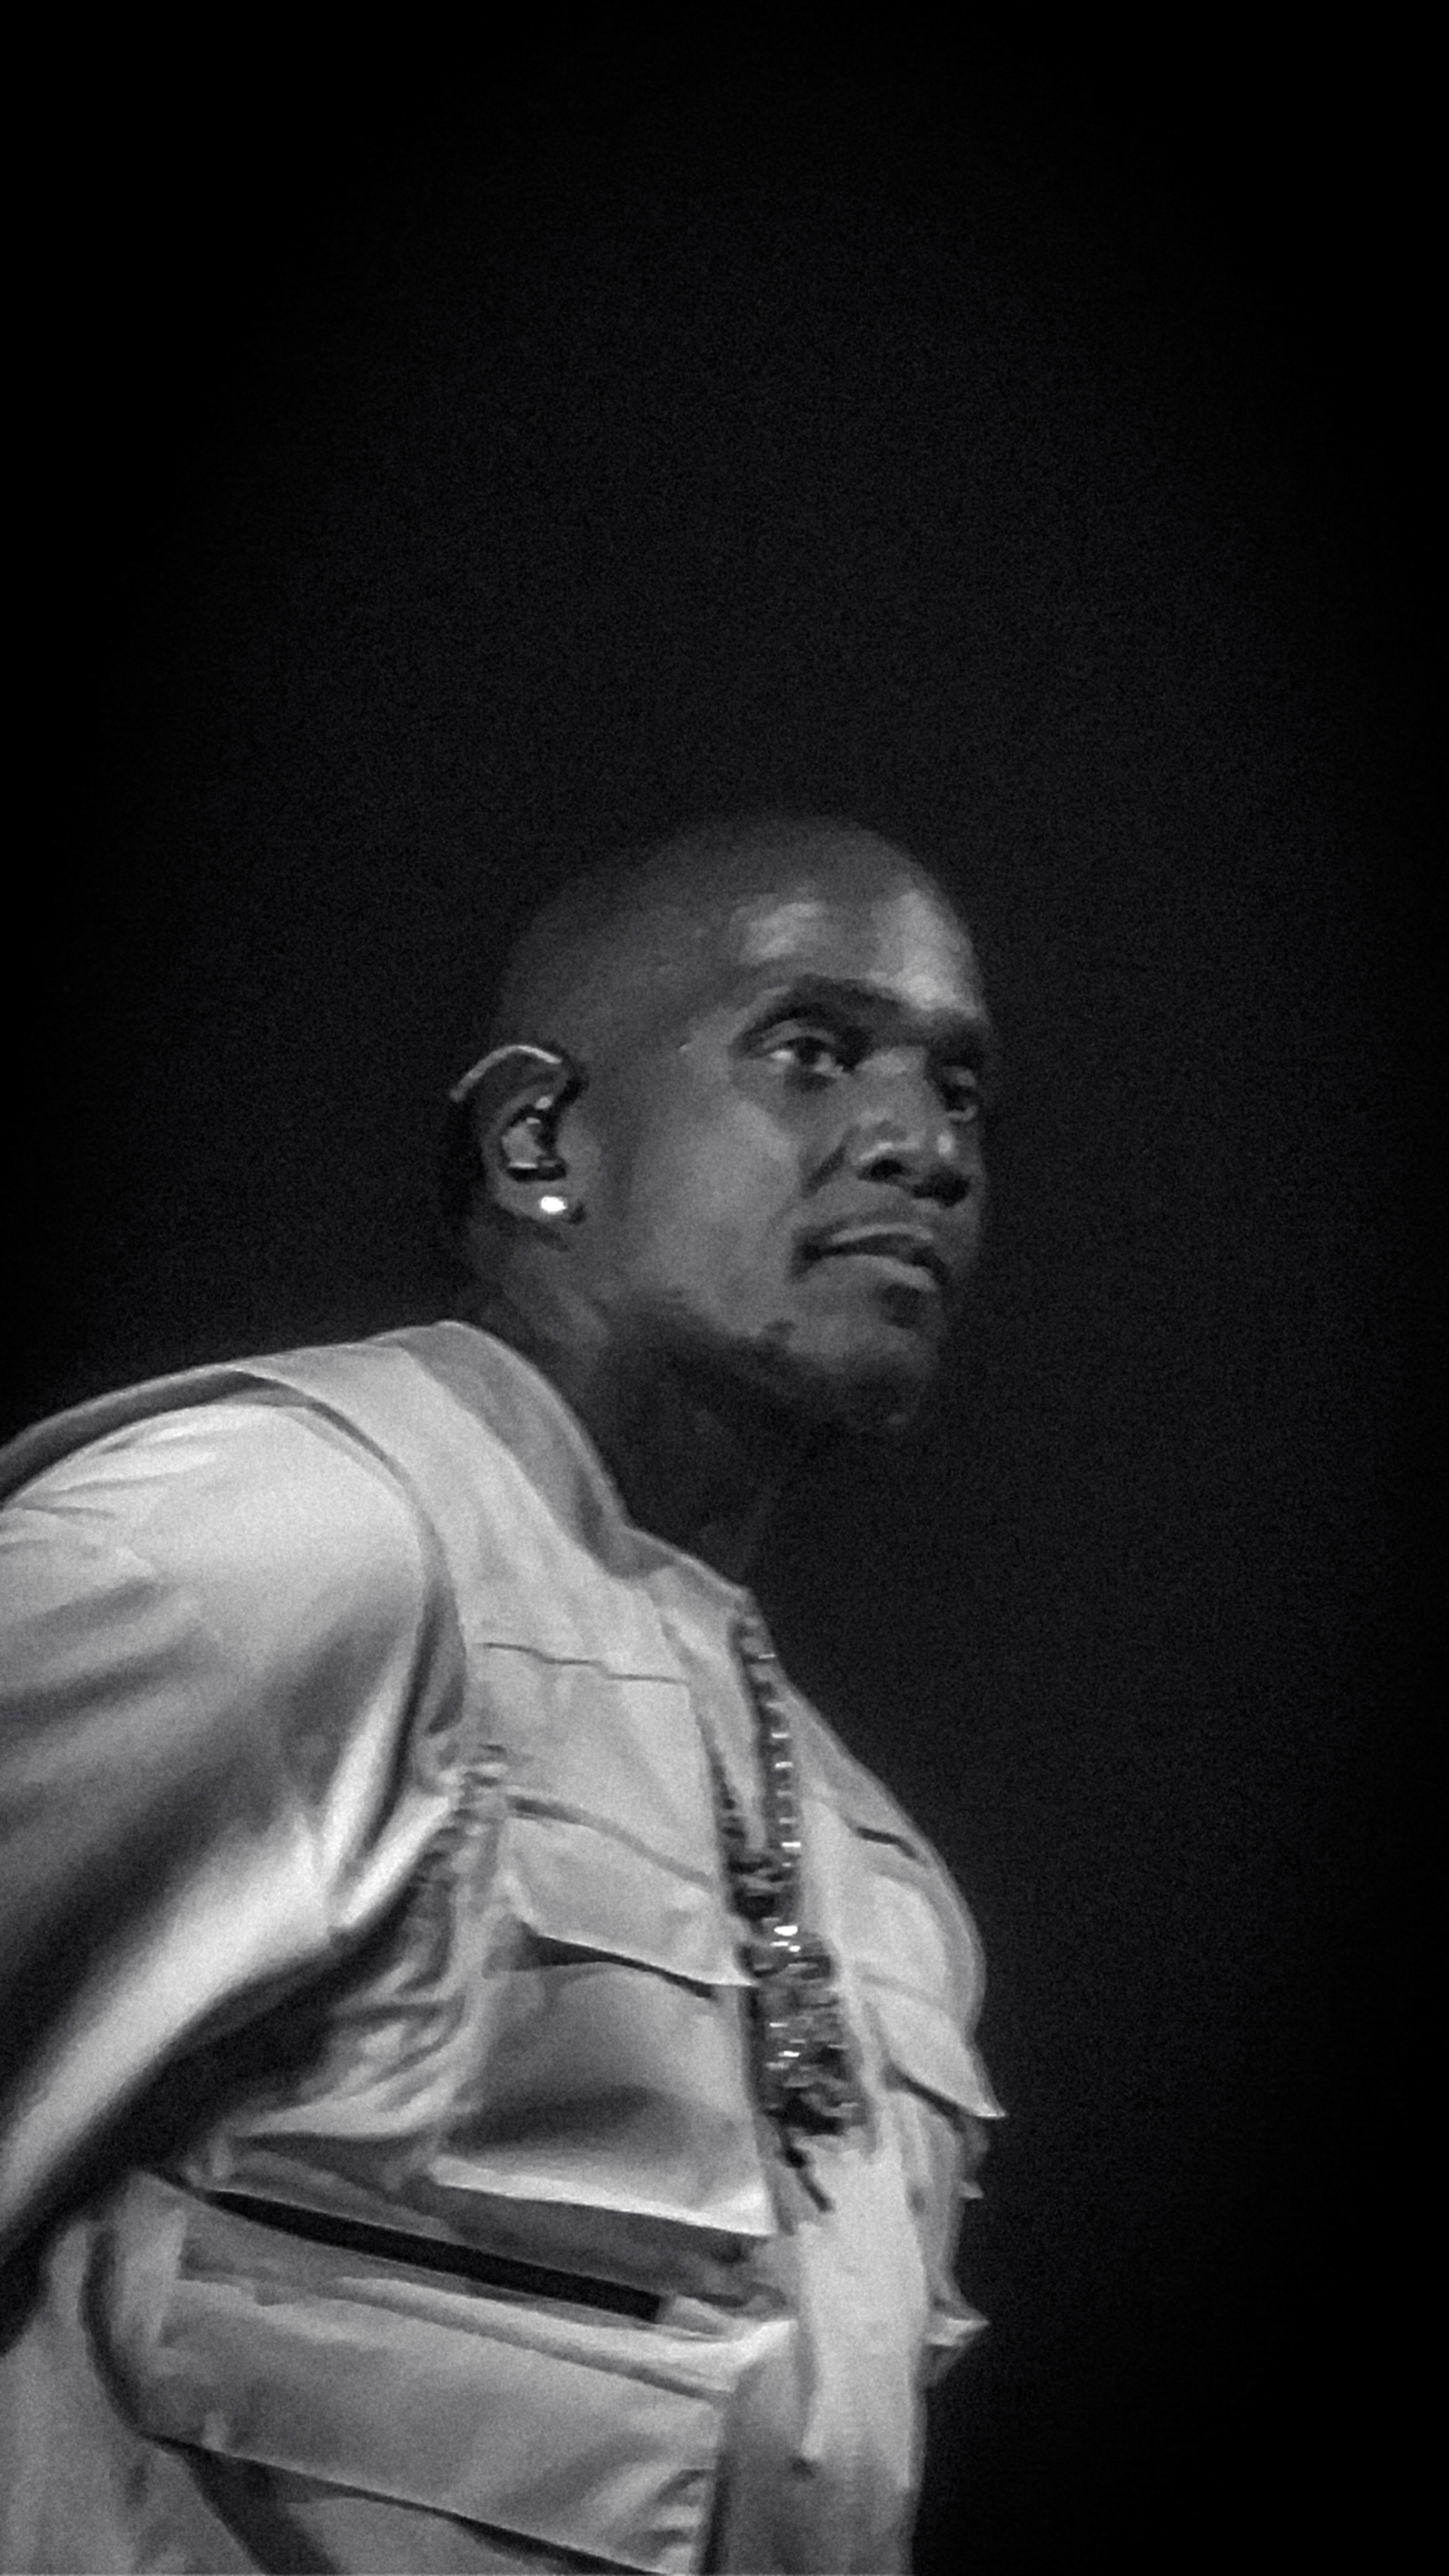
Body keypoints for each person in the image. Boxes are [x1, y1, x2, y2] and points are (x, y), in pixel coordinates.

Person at [0, 811, 1002, 2574]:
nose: (923, 1145)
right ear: (541, 1140)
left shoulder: (887, 1893)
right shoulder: (278, 1550)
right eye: (812, 1052)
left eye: (961, 1092)